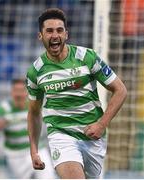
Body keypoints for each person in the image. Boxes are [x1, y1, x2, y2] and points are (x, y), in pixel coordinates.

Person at [26, 8, 127, 179]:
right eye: (49, 31)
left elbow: (120, 90)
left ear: (66, 34)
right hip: (61, 135)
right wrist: (34, 151)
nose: (55, 35)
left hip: (92, 136)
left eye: (59, 30)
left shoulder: (87, 57)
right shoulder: (35, 71)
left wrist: (102, 124)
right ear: (40, 36)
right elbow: (34, 112)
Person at [0, 79, 56, 179]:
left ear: (27, 91)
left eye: (21, 90)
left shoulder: (35, 106)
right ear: (11, 91)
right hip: (15, 156)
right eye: (15, 90)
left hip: (38, 150)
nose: (18, 94)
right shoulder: (2, 110)